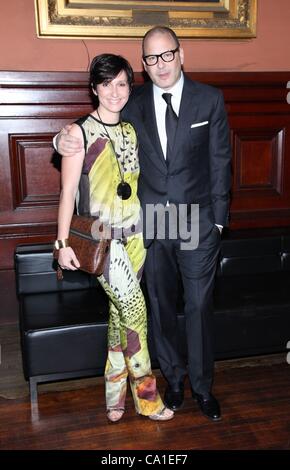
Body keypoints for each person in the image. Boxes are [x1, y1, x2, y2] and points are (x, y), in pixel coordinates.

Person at [55, 27, 231, 421]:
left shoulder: (209, 99)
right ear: (144, 64)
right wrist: (59, 139)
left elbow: (221, 161)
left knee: (200, 306)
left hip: (196, 221)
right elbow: (89, 127)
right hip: (151, 223)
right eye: (151, 59)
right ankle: (173, 381)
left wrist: (218, 222)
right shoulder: (130, 100)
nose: (160, 65)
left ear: (181, 54)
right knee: (159, 306)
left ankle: (203, 388)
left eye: (166, 55)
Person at [54, 53, 174, 423]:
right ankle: (148, 397)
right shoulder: (79, 133)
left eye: (121, 83)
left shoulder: (131, 129)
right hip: (102, 240)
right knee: (137, 311)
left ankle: (113, 395)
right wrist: (61, 245)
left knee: (119, 316)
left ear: (129, 87)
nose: (114, 91)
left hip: (136, 237)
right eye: (106, 84)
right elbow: (68, 192)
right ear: (94, 89)